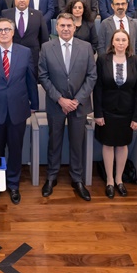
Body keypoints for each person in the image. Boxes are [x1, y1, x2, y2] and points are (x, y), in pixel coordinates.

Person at [0, 18, 39, 205]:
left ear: (13, 32)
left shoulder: (25, 52)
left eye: (6, 29)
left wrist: (34, 103)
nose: (3, 33)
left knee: (16, 149)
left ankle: (13, 184)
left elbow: (31, 79)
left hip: (18, 108)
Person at [39, 13, 97, 201]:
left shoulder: (86, 47)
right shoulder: (46, 47)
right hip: (56, 104)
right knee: (54, 141)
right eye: (62, 25)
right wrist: (60, 99)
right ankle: (52, 176)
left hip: (79, 105)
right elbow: (43, 76)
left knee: (77, 142)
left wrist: (77, 100)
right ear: (56, 27)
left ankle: (77, 178)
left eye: (69, 25)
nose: (65, 29)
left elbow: (92, 76)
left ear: (74, 27)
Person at [93, 28, 137, 198]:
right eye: (117, 40)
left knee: (122, 145)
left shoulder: (136, 61)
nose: (121, 43)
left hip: (127, 112)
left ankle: (119, 179)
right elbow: (98, 88)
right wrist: (98, 113)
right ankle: (109, 180)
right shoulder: (103, 59)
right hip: (107, 111)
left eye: (124, 40)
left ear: (128, 43)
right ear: (112, 42)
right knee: (107, 144)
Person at [2, 0, 49, 76]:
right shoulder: (6, 14)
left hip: (33, 58)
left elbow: (44, 38)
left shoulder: (38, 14)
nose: (22, 0)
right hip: (11, 58)